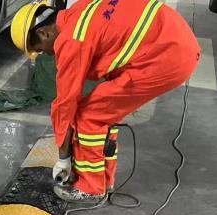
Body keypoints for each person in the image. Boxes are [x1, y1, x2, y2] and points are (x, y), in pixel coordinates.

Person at [10, 0, 200, 202]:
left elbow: (65, 103)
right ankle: (104, 180)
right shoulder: (79, 11)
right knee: (103, 111)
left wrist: (64, 159)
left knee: (88, 115)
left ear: (43, 33)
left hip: (165, 57)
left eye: (40, 49)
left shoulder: (72, 39)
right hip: (174, 41)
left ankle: (91, 188)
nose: (46, 54)